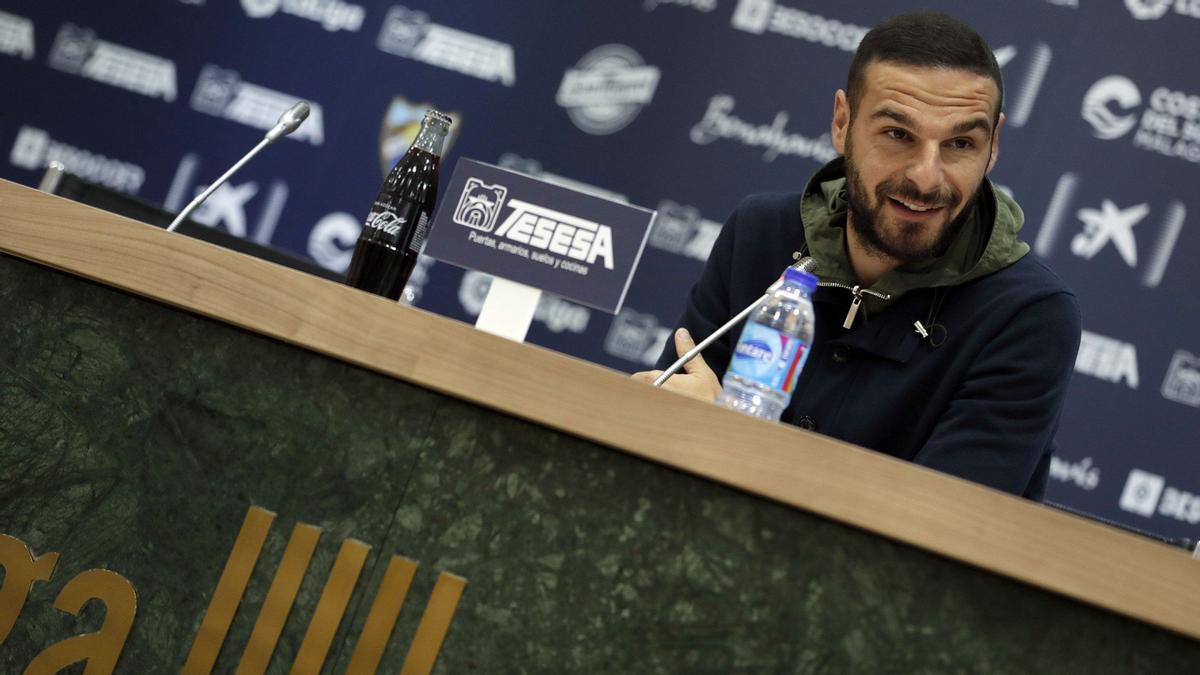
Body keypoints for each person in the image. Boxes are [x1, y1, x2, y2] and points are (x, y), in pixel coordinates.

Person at [633, 10, 1081, 500]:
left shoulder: (1029, 314)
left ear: (993, 146)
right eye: (897, 135)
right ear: (843, 123)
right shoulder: (761, 232)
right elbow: (666, 414)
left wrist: (728, 438)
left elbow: (936, 528)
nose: (926, 177)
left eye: (959, 143)